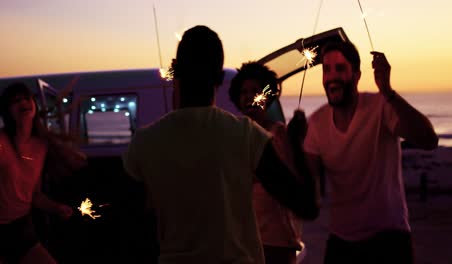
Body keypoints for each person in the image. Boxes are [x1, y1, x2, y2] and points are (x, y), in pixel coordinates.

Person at [123, 25, 318, 264]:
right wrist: (296, 145)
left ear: (176, 71)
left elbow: (128, 225)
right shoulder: (246, 136)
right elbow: (307, 207)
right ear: (219, 79)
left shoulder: (144, 142)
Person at [289, 41, 438, 263]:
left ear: (357, 75)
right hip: (341, 239)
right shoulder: (317, 123)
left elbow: (428, 139)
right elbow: (306, 187)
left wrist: (388, 92)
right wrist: (293, 143)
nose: (332, 77)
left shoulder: (381, 106)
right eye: (326, 69)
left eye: (340, 68)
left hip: (390, 237)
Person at [0, 83, 77, 264]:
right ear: (8, 111)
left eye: (26, 98)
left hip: (21, 227)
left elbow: (34, 195)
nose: (23, 102)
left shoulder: (40, 146)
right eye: (15, 101)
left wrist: (56, 208)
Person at [229, 61, 305, 264]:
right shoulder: (234, 134)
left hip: (277, 240)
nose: (249, 96)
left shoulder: (279, 134)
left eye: (255, 90)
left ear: (267, 96)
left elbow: (293, 177)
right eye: (244, 91)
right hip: (243, 239)